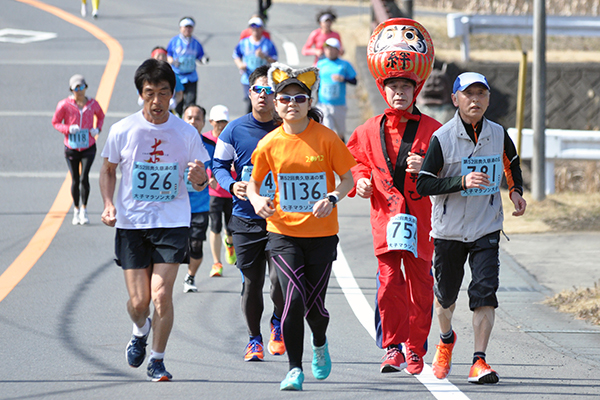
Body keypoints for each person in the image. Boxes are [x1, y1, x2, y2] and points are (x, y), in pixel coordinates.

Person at [247, 62, 356, 391]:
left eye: (299, 98)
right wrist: (255, 201)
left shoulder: (325, 139)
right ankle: (294, 369)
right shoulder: (269, 144)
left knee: (314, 307)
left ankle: (319, 342)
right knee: (292, 300)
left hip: (321, 235)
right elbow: (254, 184)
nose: (291, 104)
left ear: (310, 103)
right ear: (276, 105)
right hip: (282, 233)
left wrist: (332, 199)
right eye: (285, 99)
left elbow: (348, 179)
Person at [99, 58, 210, 381]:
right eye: (150, 93)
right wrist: (108, 204)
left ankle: (158, 360)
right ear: (141, 95)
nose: (157, 100)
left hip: (171, 221)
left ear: (174, 95)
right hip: (132, 225)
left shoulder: (186, 133)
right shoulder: (123, 130)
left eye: (164, 93)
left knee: (161, 295)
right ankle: (139, 329)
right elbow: (107, 170)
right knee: (139, 301)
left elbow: (202, 179)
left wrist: (201, 177)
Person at [417, 72, 527, 384]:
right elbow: (423, 183)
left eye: (481, 94)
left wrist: (516, 191)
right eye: (468, 94)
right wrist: (460, 181)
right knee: (446, 298)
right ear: (455, 99)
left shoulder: (498, 133)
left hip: (486, 227)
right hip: (449, 230)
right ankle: (446, 339)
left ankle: (479, 361)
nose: (475, 100)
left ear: (489, 99)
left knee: (484, 294)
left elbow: (512, 163)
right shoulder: (443, 138)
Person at [346, 18, 440, 376]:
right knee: (388, 283)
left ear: (415, 89)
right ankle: (392, 348)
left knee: (420, 285)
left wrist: (427, 166)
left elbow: (449, 172)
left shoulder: (434, 130)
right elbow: (353, 162)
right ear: (383, 89)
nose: (399, 92)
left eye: (405, 86)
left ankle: (416, 348)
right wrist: (362, 180)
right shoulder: (368, 129)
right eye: (393, 87)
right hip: (385, 219)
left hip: (422, 221)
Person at [212, 65, 285, 363]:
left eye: (270, 90)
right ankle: (254, 339)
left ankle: (277, 324)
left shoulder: (287, 127)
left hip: (281, 220)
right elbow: (217, 166)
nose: (264, 96)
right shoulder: (234, 129)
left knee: (280, 281)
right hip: (244, 219)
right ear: (250, 92)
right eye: (259, 90)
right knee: (252, 283)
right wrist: (232, 185)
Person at [52, 74, 105, 226]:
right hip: (71, 147)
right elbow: (55, 122)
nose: (79, 91)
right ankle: (76, 210)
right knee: (75, 178)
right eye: (76, 88)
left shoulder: (93, 104)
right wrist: (68, 129)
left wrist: (97, 129)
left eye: (81, 87)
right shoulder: (64, 105)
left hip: (88, 146)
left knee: (84, 177)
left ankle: (84, 209)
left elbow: (100, 116)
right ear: (71, 90)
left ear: (86, 87)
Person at [182, 104, 215, 293]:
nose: (193, 121)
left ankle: (190, 276)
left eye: (197, 118)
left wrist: (214, 179)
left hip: (200, 205)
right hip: (175, 205)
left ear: (203, 122)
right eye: (189, 117)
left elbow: (220, 169)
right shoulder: (171, 142)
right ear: (183, 120)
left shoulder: (210, 147)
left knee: (195, 245)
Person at [204, 105, 236, 277]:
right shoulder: (206, 140)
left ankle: (230, 245)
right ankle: (217, 263)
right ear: (211, 122)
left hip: (231, 191)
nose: (221, 125)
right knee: (215, 227)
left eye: (224, 122)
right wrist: (207, 178)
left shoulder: (232, 139)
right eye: (218, 122)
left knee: (231, 229)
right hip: (214, 193)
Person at [233, 17, 278, 113]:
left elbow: (274, 60)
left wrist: (265, 57)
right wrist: (240, 64)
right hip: (247, 77)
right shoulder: (244, 43)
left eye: (257, 27)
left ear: (262, 28)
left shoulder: (268, 44)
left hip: (261, 78)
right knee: (250, 100)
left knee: (256, 102)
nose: (255, 30)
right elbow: (236, 55)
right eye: (252, 27)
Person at [316, 37, 357, 142]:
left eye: (331, 49)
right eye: (327, 49)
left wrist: (343, 79)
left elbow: (354, 81)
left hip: (339, 104)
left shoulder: (344, 64)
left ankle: (342, 151)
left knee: (340, 133)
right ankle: (328, 155)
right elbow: (316, 82)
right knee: (327, 130)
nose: (328, 51)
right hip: (324, 104)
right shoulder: (320, 64)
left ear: (337, 50)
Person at [167, 17, 209, 117]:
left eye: (190, 27)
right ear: (180, 28)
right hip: (177, 77)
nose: (188, 30)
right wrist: (172, 61)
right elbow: (168, 54)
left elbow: (200, 56)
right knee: (177, 103)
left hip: (191, 77)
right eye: (185, 27)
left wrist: (204, 60)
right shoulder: (174, 41)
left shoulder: (196, 43)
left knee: (190, 103)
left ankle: (188, 122)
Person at [147, 47, 184, 113]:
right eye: (158, 56)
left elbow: (179, 93)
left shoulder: (173, 75)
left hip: (167, 110)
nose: (161, 58)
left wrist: (174, 102)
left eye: (163, 56)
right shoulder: (146, 76)